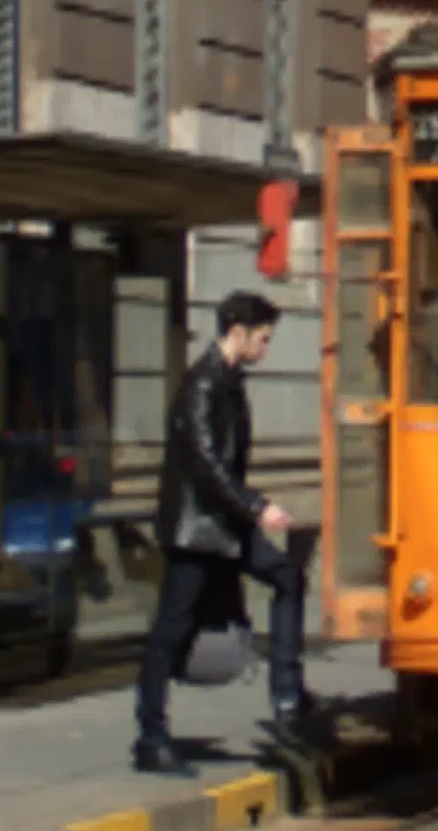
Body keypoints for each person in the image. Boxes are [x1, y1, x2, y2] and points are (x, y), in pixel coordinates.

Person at [134, 292, 314, 775]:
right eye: (263, 338)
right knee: (171, 629)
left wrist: (249, 509)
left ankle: (289, 696)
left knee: (287, 577)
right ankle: (151, 735)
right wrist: (257, 506)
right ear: (237, 332)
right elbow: (206, 464)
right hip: (199, 531)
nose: (266, 348)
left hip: (226, 526)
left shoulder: (230, 382)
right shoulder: (203, 385)